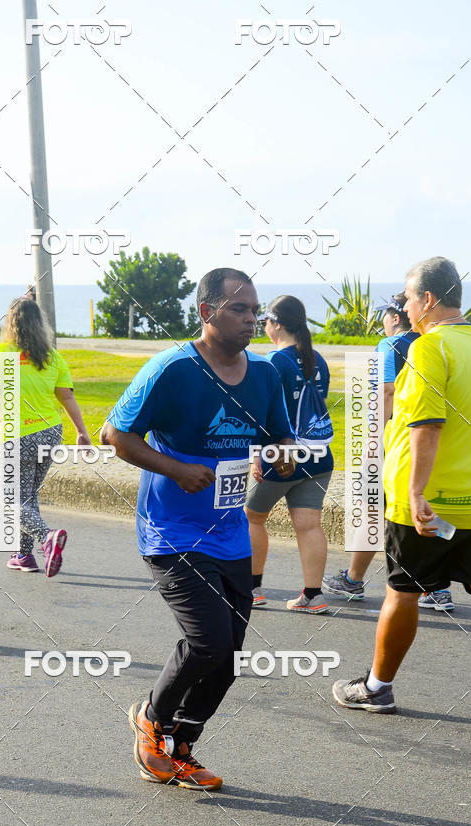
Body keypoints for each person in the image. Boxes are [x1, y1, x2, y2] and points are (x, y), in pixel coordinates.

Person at [101, 268, 295, 789]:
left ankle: (182, 747)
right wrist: (177, 469)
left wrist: (276, 459)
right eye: (240, 309)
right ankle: (151, 720)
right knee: (207, 640)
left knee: (228, 655)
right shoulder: (173, 369)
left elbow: (280, 440)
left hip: (230, 532)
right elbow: (116, 435)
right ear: (207, 312)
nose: (252, 319)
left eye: (256, 311)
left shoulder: (265, 375)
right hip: (170, 530)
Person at [333, 257, 471, 713]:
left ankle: (377, 688)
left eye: (409, 296)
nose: (406, 304)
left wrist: (416, 493)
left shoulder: (429, 348)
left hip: (426, 505)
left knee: (403, 591)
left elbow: (427, 425)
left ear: (429, 300)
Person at [0, 295, 91, 577]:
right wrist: (82, 432)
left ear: (10, 324)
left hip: (16, 435)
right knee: (27, 495)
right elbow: (66, 397)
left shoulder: (1, 353)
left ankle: (47, 538)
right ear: (40, 324)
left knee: (8, 500)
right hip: (50, 432)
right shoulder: (52, 357)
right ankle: (23, 556)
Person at [321, 293, 433, 603]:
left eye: (385, 314)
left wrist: (373, 440)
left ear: (397, 317)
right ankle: (437, 589)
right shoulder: (431, 343)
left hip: (394, 441)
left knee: (371, 507)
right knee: (423, 507)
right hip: (429, 439)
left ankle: (354, 580)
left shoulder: (390, 345)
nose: (383, 320)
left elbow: (386, 392)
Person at [245, 295, 334, 614]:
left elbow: (263, 414)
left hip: (281, 456)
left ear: (277, 324)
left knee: (253, 518)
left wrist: (256, 454)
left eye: (265, 321)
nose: (263, 327)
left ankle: (252, 589)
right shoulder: (318, 359)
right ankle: (313, 596)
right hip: (319, 456)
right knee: (309, 524)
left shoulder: (273, 361)